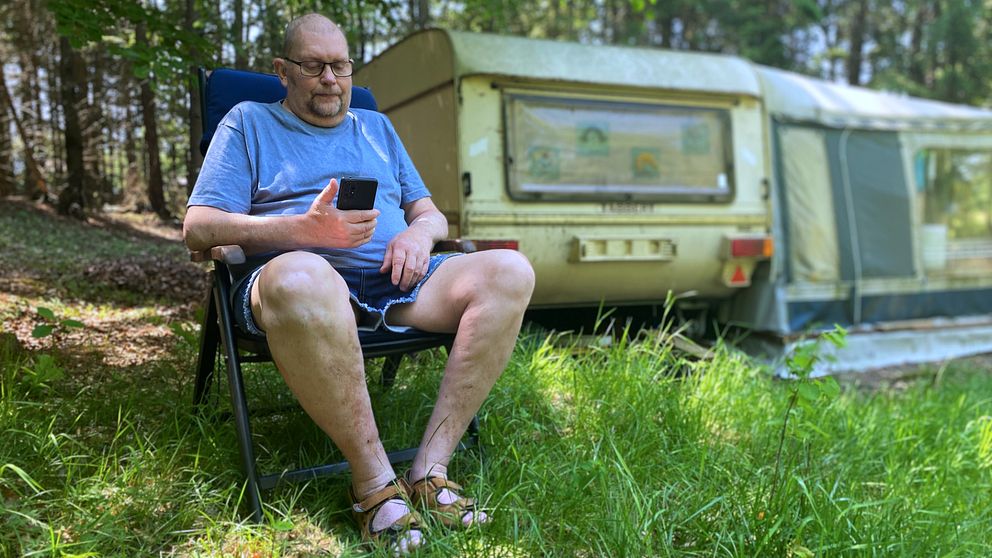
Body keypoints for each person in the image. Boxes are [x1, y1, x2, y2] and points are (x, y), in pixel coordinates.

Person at [183, 13, 535, 554]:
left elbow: (431, 213)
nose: (330, 78)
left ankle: (430, 471)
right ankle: (373, 485)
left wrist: (418, 237)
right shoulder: (247, 122)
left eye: (341, 66)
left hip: (398, 284)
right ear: (283, 71)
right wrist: (300, 230)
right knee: (305, 274)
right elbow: (198, 226)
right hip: (296, 287)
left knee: (511, 271)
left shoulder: (377, 127)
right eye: (314, 66)